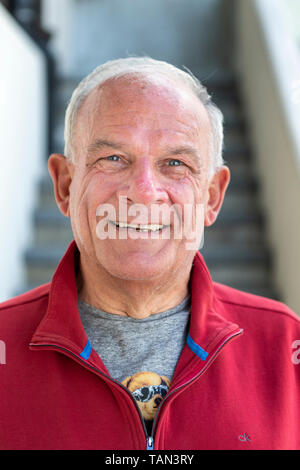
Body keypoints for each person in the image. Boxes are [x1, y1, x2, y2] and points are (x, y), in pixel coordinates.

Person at [0, 57, 299, 451]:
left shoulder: (285, 347)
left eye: (175, 163)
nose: (143, 191)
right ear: (66, 186)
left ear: (212, 197)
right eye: (113, 159)